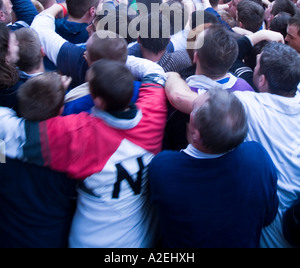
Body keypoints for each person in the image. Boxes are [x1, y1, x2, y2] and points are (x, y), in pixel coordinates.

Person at [0, 56, 168, 248]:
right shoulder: (154, 111)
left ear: (97, 101)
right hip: (143, 237)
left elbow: (13, 132)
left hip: (93, 241)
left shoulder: (78, 134)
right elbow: (154, 71)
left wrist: (52, 98)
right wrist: (118, 58)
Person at [164, 42, 300, 248]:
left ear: (262, 80)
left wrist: (173, 76)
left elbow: (179, 97)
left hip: (268, 236)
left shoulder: (247, 105)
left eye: (256, 67)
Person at [149, 88, 278, 248]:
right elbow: (269, 216)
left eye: (193, 110)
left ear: (195, 134)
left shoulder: (164, 168)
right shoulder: (258, 158)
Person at [0, 73, 77, 248]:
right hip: (49, 238)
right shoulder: (67, 154)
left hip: (7, 235)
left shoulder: (2, 145)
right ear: (60, 111)